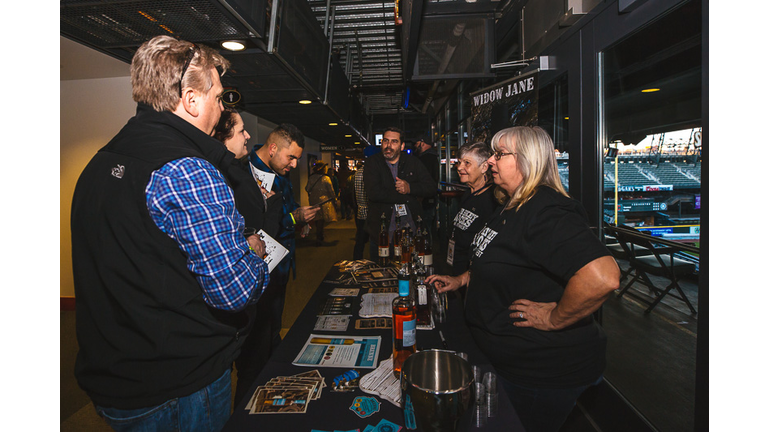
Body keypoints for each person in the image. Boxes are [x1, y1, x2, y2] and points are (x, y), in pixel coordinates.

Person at [71, 36, 270, 431]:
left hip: (117, 377)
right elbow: (233, 291)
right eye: (217, 97)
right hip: (178, 386)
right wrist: (254, 255)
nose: (221, 108)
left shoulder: (101, 161)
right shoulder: (189, 169)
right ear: (192, 100)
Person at [425, 126, 621, 432]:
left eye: (500, 155)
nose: (490, 161)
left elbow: (603, 277)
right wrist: (463, 279)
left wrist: (555, 318)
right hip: (503, 359)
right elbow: (496, 256)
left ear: (528, 161)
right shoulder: (509, 203)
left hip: (540, 371)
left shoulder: (546, 210)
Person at [212, 109, 281, 407]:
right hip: (240, 286)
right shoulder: (216, 174)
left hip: (256, 279)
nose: (249, 135)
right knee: (246, 366)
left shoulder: (236, 170)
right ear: (223, 136)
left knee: (260, 354)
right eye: (241, 131)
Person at [249, 124, 320, 353]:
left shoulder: (279, 172)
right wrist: (293, 218)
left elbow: (286, 207)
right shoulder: (250, 175)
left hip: (281, 262)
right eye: (291, 157)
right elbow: (259, 224)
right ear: (272, 149)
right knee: (260, 333)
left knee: (274, 323)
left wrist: (300, 217)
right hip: (262, 266)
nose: (294, 164)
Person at [365, 127, 437, 260]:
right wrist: (407, 197)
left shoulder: (413, 162)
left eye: (394, 142)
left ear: (402, 145)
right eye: (385, 141)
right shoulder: (372, 163)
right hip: (382, 235)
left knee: (411, 275)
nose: (388, 145)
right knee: (382, 274)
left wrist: (410, 188)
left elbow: (431, 187)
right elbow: (374, 193)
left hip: (410, 234)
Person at [448, 142, 497, 277]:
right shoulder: (468, 193)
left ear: (484, 167)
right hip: (457, 267)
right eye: (459, 162)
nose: (459, 168)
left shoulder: (492, 200)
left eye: (467, 163)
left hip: (474, 274)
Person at [305, 161, 338, 245]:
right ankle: (320, 237)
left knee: (317, 219)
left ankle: (319, 235)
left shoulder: (311, 178)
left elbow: (307, 188)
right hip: (324, 202)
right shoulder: (326, 178)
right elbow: (331, 191)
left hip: (314, 201)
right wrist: (335, 199)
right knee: (322, 220)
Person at [414, 137, 440, 241]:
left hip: (424, 200)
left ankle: (425, 254)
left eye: (417, 142)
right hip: (430, 199)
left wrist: (419, 196)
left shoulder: (424, 159)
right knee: (428, 228)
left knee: (424, 230)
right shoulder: (433, 157)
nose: (415, 145)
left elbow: (424, 181)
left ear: (422, 143)